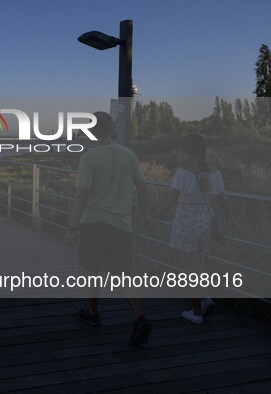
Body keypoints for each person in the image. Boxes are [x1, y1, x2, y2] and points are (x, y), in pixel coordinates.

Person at [64, 111, 151, 346]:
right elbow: (142, 188)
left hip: (94, 223)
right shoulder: (127, 154)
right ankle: (139, 317)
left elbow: (82, 194)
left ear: (91, 131)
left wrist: (72, 227)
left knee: (92, 271)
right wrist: (142, 215)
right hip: (122, 224)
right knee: (125, 273)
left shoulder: (89, 158)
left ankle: (93, 314)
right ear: (111, 128)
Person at [145, 133, 237, 324]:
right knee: (198, 265)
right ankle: (204, 298)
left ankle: (196, 312)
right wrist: (232, 219)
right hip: (206, 222)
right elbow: (221, 199)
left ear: (186, 152)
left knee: (190, 270)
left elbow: (170, 200)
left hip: (186, 223)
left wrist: (154, 218)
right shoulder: (215, 173)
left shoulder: (182, 172)